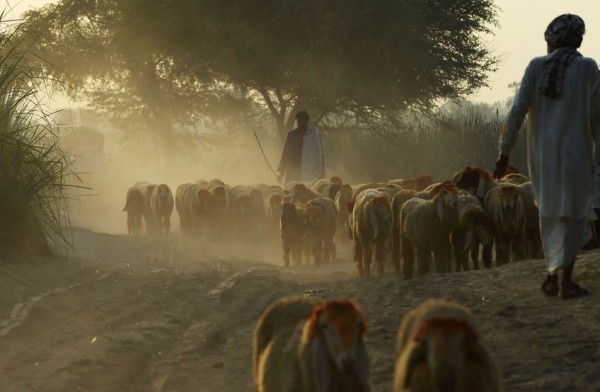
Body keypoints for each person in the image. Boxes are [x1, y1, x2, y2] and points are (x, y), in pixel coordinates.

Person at [494, 14, 600, 300]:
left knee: (550, 215)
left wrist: (504, 152)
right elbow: (597, 119)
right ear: (578, 39)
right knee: (573, 216)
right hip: (577, 158)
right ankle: (565, 282)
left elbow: (516, 112)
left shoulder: (535, 67)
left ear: (550, 41)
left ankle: (552, 278)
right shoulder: (588, 68)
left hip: (543, 161)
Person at [277, 110, 325, 184]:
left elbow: (320, 156)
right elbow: (285, 155)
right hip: (293, 174)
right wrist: (281, 173)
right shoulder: (292, 136)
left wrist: (322, 174)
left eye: (304, 120)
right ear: (297, 121)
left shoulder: (315, 135)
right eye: (299, 120)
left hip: (311, 174)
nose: (301, 122)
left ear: (307, 121)